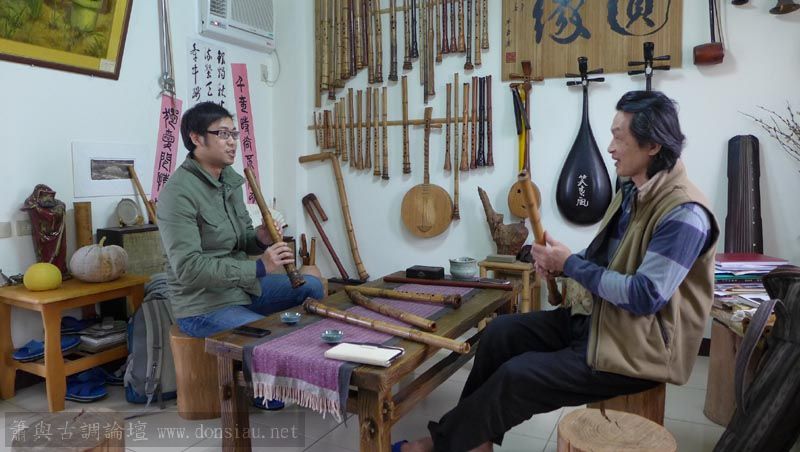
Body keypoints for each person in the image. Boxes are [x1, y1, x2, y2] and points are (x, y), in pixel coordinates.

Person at [399, 91, 719, 452]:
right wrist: (559, 261)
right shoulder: (633, 191)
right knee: (499, 334)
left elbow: (645, 296)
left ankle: (441, 444)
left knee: (517, 375)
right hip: (601, 323)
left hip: (637, 351)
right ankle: (476, 442)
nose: (610, 148)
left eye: (619, 137)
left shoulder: (684, 213)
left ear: (653, 146)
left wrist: (569, 264)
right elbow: (608, 261)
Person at [157, 102, 325, 407]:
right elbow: (189, 269)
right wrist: (260, 267)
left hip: (241, 290)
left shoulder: (230, 181)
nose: (232, 141)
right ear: (196, 138)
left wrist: (260, 238)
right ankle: (264, 385)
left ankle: (299, 362)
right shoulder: (177, 193)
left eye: (234, 133)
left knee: (312, 287)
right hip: (204, 305)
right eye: (222, 134)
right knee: (269, 336)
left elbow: (241, 240)